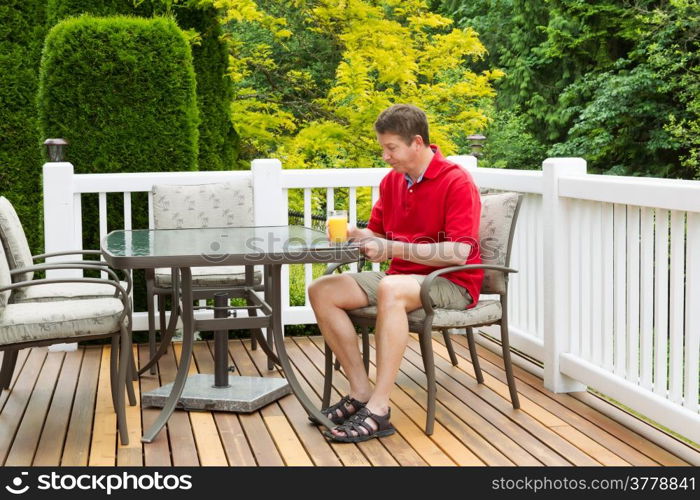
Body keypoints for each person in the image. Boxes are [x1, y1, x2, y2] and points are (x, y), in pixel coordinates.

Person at [307, 104, 483, 443]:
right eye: (383, 148)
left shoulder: (456, 181)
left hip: (451, 281)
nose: (386, 156)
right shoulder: (392, 182)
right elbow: (380, 236)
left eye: (392, 148)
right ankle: (359, 392)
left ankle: (380, 408)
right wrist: (359, 235)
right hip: (400, 277)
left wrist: (392, 250)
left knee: (391, 288)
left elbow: (459, 253)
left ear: (417, 143)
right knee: (322, 289)